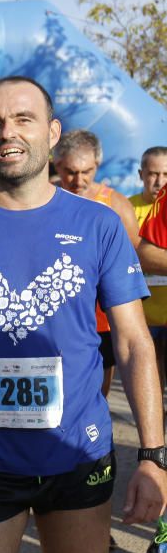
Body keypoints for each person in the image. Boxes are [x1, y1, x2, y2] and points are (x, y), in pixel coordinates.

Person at [0, 76, 166, 553]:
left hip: (76, 453)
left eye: (23, 119)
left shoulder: (98, 224)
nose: (8, 133)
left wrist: (153, 456)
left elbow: (132, 343)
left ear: (51, 132)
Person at [53, 130, 140, 398]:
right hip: (57, 312)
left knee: (96, 391)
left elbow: (133, 259)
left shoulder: (115, 204)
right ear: (56, 165)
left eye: (86, 171)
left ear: (97, 166)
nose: (78, 180)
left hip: (101, 318)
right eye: (70, 172)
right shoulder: (43, 198)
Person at [130, 147, 167, 397]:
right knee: (151, 382)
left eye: (166, 174)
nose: (160, 181)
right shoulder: (126, 208)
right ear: (141, 174)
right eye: (153, 174)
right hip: (142, 314)